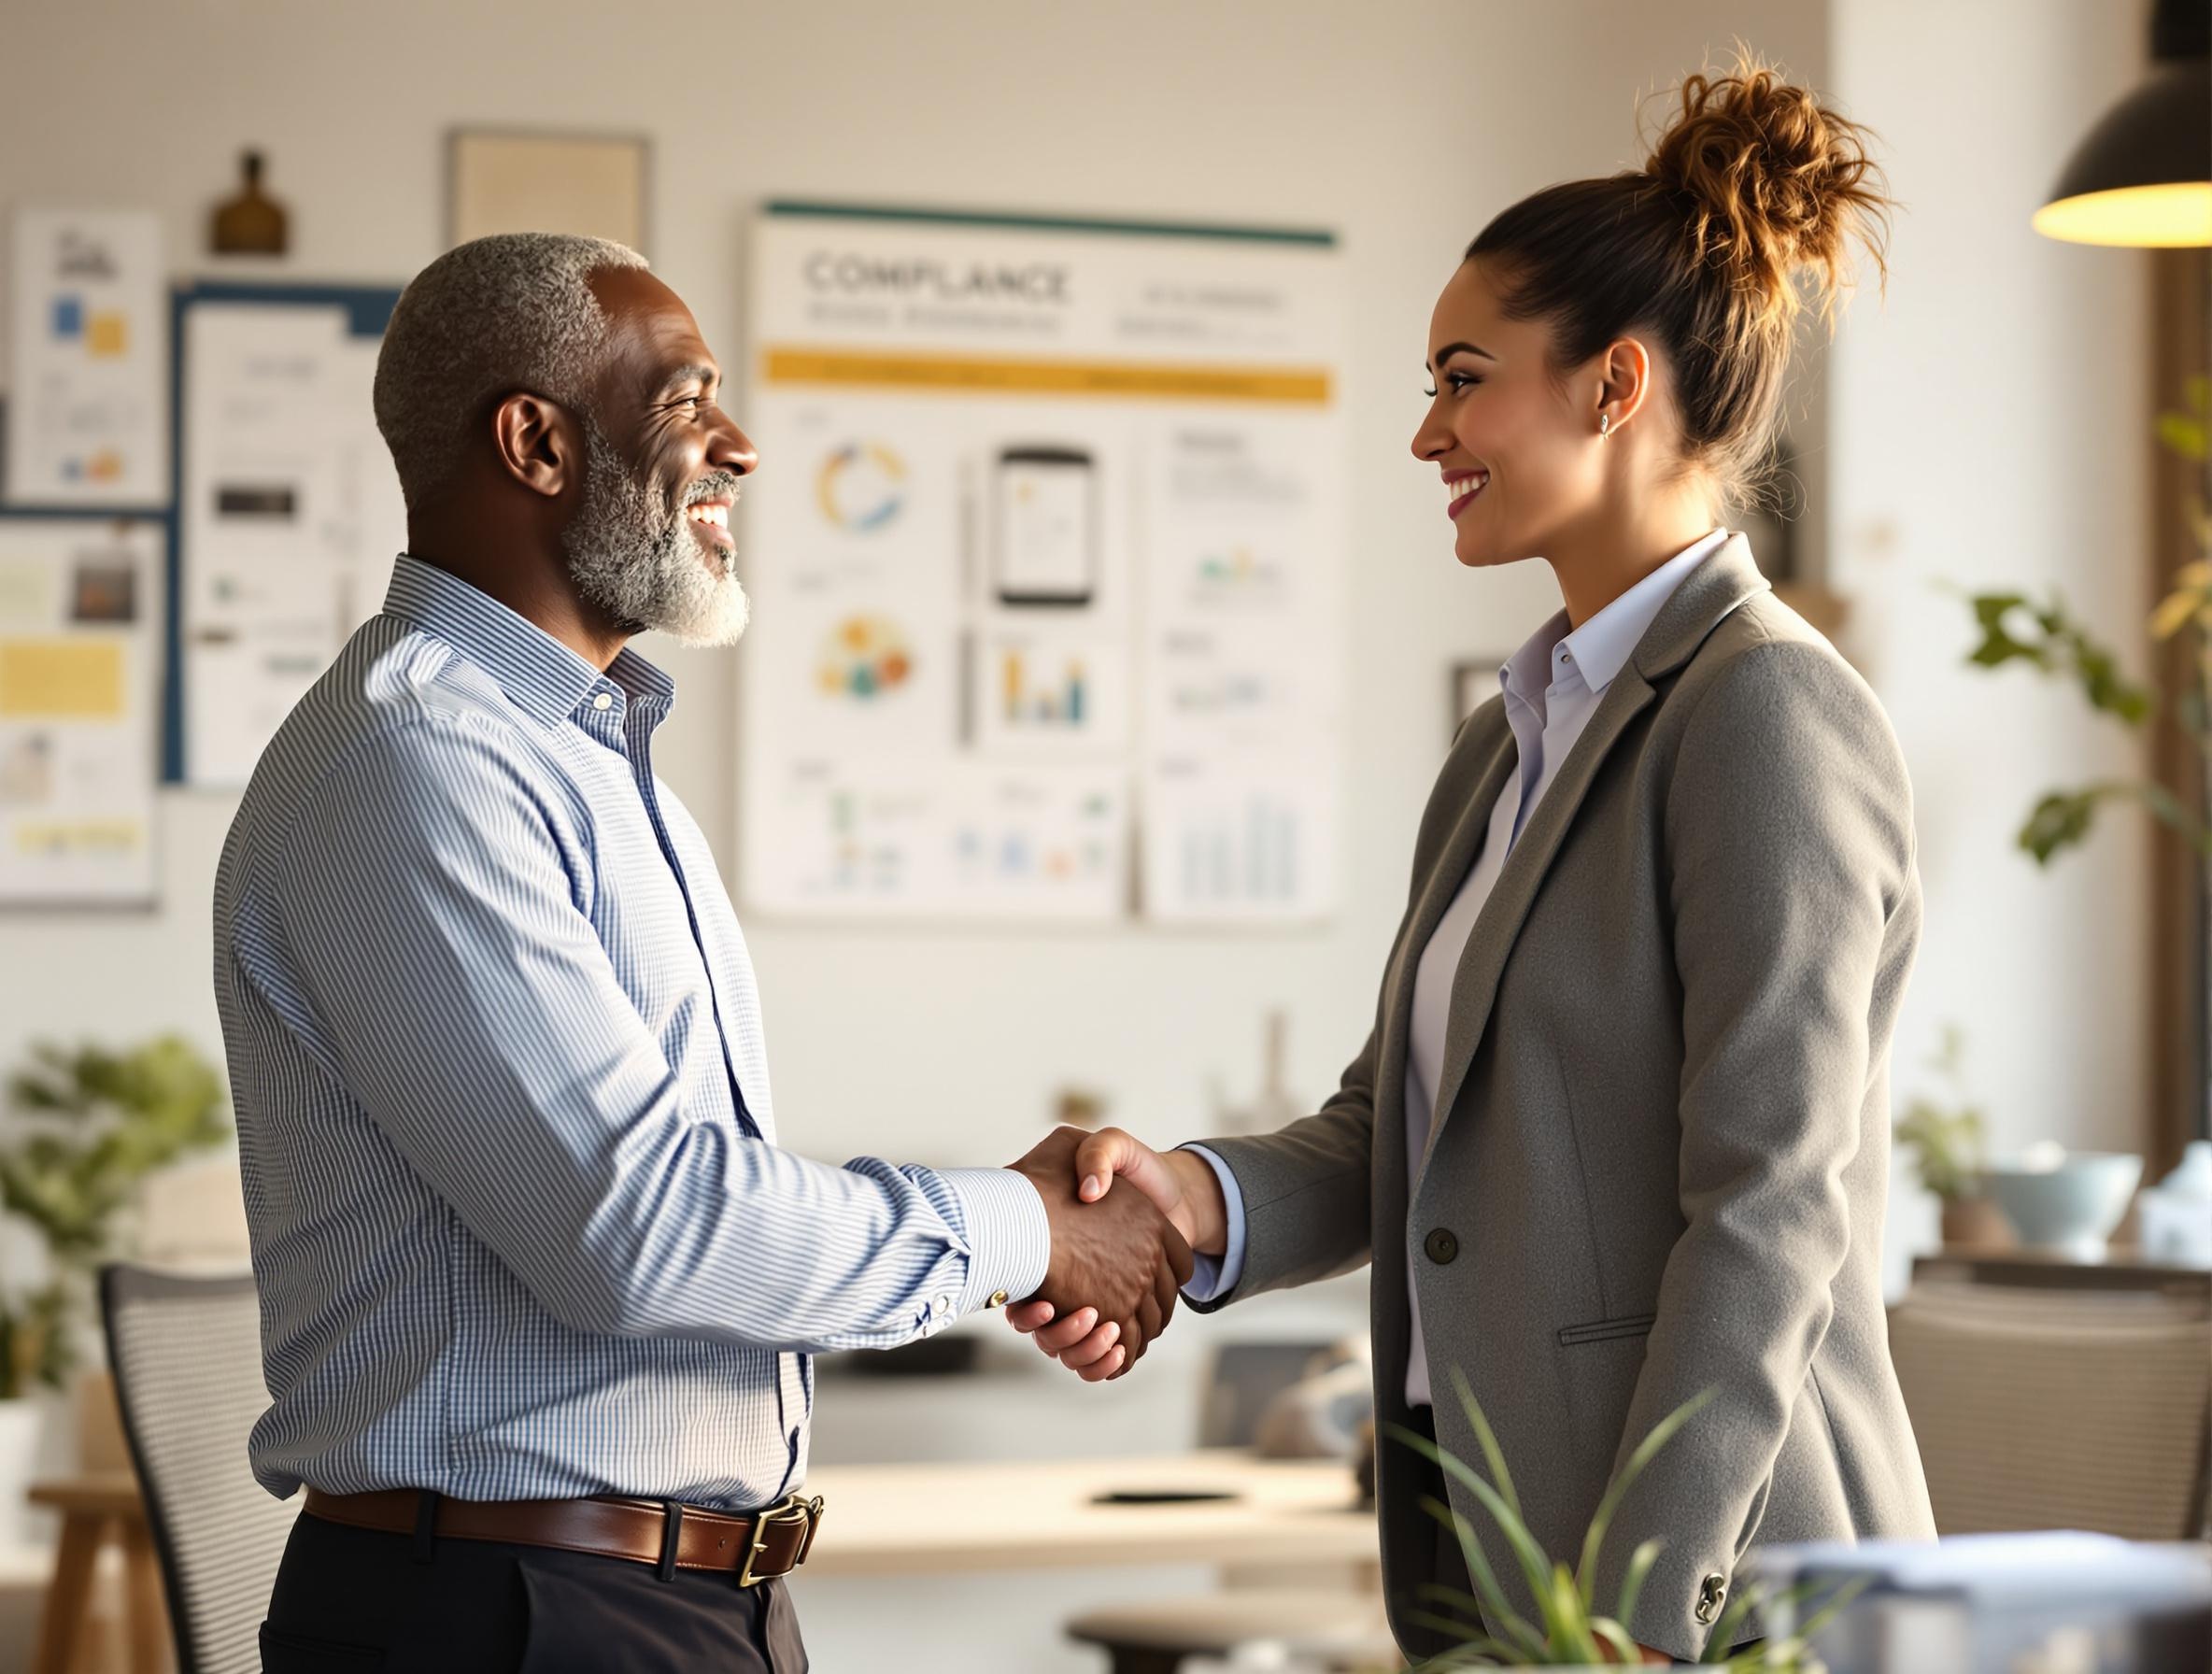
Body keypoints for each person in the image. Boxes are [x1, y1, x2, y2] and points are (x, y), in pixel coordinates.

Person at [1012, 59, 1937, 1664]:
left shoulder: (1764, 711)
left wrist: (1644, 1611)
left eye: (1463, 378)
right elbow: (1404, 1130)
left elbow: (1773, 1208)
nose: (1429, 429)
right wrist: (1190, 1200)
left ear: (1612, 387)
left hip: (1703, 1581)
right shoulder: (1514, 736)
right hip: (1489, 1536)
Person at [213, 232, 1192, 1674]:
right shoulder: (420, 766)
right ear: (536, 441)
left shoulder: (587, 762)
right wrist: (1029, 1230)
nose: (736, 447)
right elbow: (646, 1225)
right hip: (512, 1617)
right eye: (685, 402)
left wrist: (1023, 1243)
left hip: (657, 1600)